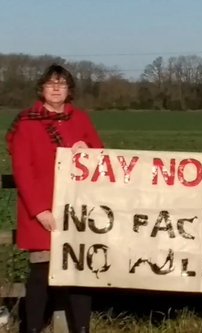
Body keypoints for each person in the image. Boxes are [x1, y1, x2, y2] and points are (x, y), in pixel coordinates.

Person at [5, 64, 104, 333]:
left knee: (79, 272)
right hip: (42, 209)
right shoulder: (26, 122)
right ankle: (32, 328)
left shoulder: (80, 119)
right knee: (41, 274)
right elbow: (23, 170)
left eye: (62, 84)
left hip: (76, 209)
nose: (57, 88)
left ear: (69, 89)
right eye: (51, 84)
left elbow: (100, 155)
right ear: (42, 88)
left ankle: (81, 328)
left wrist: (89, 150)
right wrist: (40, 210)